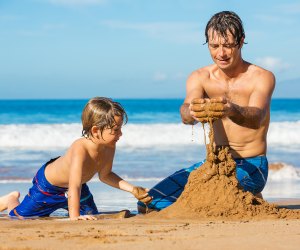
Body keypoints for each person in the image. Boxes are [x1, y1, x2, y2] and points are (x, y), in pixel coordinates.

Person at [138, 11, 275, 213]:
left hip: (252, 163)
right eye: (214, 46)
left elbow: (256, 118)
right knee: (149, 203)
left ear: (241, 42)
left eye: (228, 45)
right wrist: (192, 111)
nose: (221, 53)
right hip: (214, 162)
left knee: (207, 202)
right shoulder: (200, 77)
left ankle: (247, 195)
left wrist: (231, 109)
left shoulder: (261, 76)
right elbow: (186, 113)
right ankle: (244, 199)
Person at [0, 97, 152, 220]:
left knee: (92, 215)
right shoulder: (80, 148)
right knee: (19, 216)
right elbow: (74, 185)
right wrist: (75, 217)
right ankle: (10, 200)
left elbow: (105, 175)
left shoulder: (110, 146)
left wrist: (132, 189)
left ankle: (70, 208)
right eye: (116, 130)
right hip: (48, 187)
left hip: (78, 186)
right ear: (95, 130)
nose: (120, 134)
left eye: (120, 129)